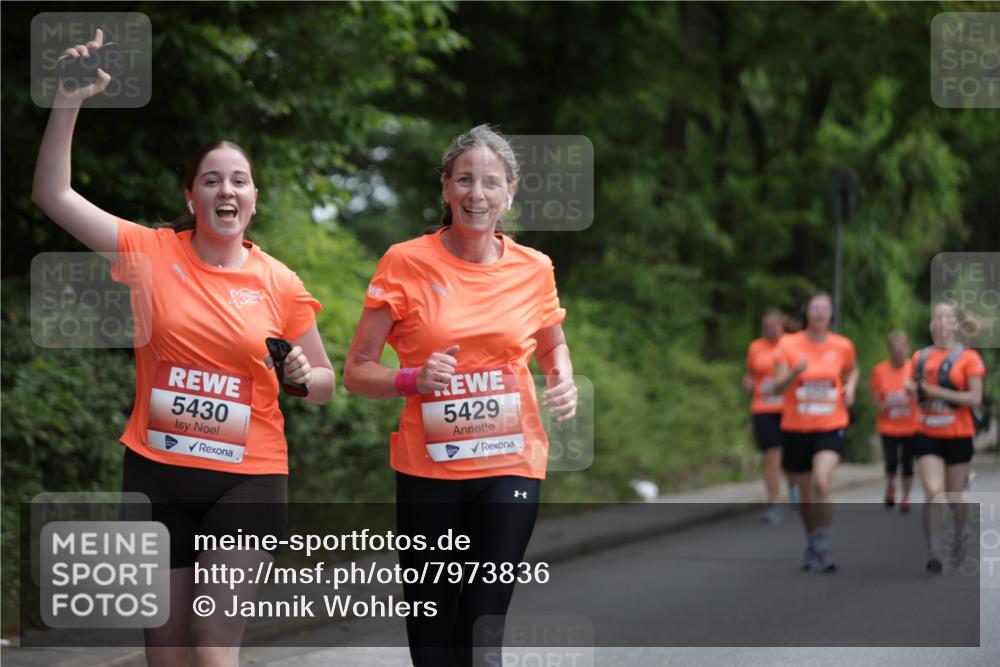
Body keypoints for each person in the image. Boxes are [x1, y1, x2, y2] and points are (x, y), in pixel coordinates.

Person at [31, 30, 336, 667]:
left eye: (240, 181)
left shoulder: (280, 281)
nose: (227, 191)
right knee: (166, 655)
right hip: (155, 477)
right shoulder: (149, 253)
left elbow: (324, 383)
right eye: (212, 180)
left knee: (212, 649)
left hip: (248, 480)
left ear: (252, 200)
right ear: (190, 197)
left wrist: (304, 375)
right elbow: (53, 196)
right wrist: (69, 98)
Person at [343, 124, 576, 666]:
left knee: (482, 625)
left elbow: (553, 345)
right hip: (429, 472)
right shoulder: (405, 262)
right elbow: (356, 371)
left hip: (511, 464)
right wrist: (412, 379)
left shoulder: (534, 268)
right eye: (465, 180)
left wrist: (561, 376)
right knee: (432, 633)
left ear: (510, 192)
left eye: (490, 183)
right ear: (445, 187)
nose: (477, 194)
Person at [771, 292, 858, 572]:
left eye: (825, 308)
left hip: (831, 424)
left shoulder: (842, 345)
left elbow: (853, 369)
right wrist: (794, 373)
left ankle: (822, 538)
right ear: (806, 312)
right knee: (805, 493)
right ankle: (812, 539)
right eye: (815, 307)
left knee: (822, 483)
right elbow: (776, 387)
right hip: (796, 427)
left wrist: (851, 388)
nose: (820, 313)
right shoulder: (788, 344)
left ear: (831, 314)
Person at [906, 301, 985, 574]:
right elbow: (912, 387)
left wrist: (940, 394)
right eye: (937, 317)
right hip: (926, 432)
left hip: (958, 434)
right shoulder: (920, 357)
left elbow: (975, 397)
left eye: (947, 317)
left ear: (956, 325)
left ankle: (961, 529)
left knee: (954, 497)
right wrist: (911, 389)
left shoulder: (969, 358)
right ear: (931, 325)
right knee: (932, 491)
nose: (941, 322)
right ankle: (935, 550)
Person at [742, 308, 796, 524]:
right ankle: (774, 503)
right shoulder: (755, 347)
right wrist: (747, 382)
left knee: (791, 455)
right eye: (767, 326)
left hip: (788, 407)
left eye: (775, 325)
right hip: (763, 407)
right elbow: (750, 374)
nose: (771, 330)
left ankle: (794, 487)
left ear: (782, 325)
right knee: (771, 456)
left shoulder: (792, 344)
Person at [869, 331, 919, 512]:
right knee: (891, 461)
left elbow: (923, 392)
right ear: (890, 350)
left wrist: (913, 391)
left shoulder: (914, 369)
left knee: (907, 463)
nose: (899, 352)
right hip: (888, 425)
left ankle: (906, 497)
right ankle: (891, 486)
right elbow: (874, 391)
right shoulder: (880, 370)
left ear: (908, 349)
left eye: (902, 349)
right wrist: (880, 404)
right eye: (895, 349)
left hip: (910, 425)